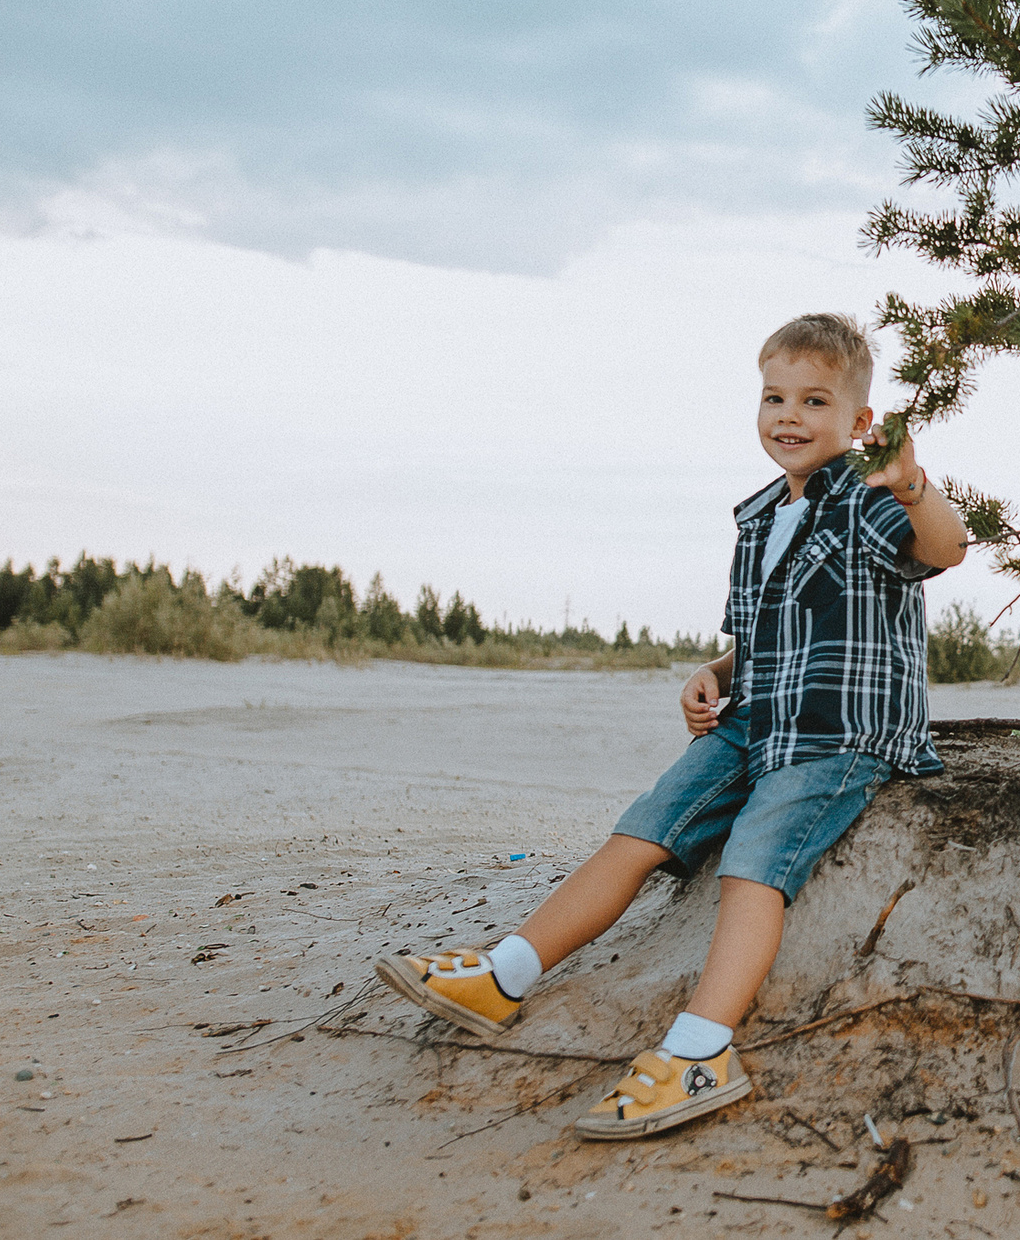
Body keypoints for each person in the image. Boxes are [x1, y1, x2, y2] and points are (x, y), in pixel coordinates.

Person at [373, 313, 967, 1139]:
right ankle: (503, 975)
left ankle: (699, 1050)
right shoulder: (759, 518)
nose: (788, 416)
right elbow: (757, 637)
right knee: (644, 829)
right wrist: (713, 676)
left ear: (859, 422)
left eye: (814, 401)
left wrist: (910, 482)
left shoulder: (867, 500)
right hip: (756, 719)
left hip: (839, 732)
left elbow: (947, 547)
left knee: (754, 861)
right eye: (774, 397)